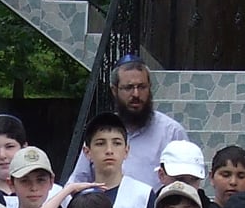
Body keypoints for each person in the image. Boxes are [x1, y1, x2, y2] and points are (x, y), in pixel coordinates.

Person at [66, 57, 185, 189]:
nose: (136, 94)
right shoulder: (100, 132)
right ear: (114, 90)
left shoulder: (171, 132)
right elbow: (76, 182)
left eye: (142, 87)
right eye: (128, 88)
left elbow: (186, 184)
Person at [67, 112, 160, 208]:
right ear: (87, 152)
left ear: (126, 150)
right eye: (100, 143)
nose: (109, 151)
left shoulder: (143, 195)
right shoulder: (77, 197)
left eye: (116, 143)